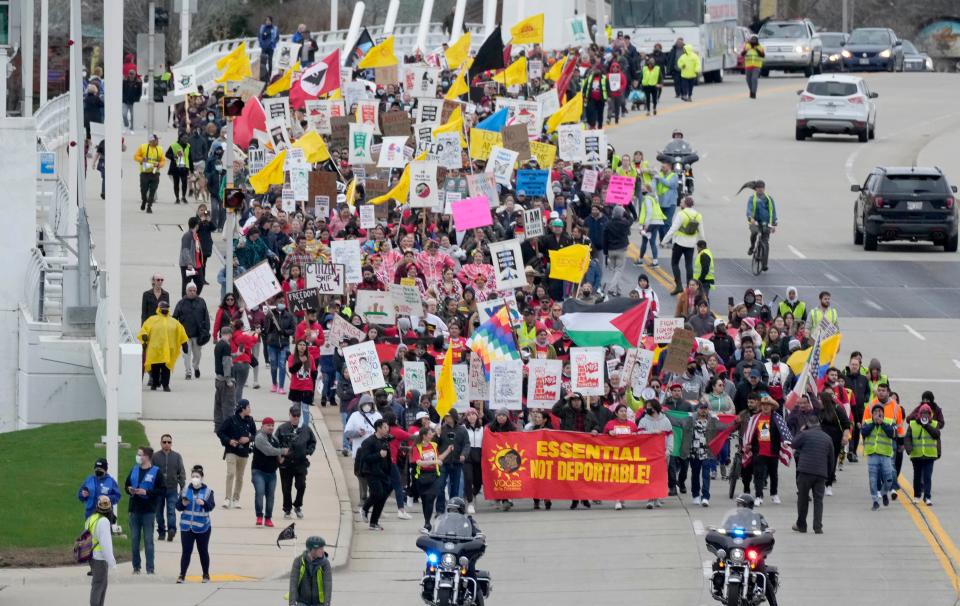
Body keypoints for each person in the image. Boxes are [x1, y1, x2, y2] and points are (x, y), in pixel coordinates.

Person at [741, 395, 792, 506]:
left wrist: (785, 443)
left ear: (772, 406)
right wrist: (748, 444)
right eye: (763, 405)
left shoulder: (777, 419)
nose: (765, 407)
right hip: (758, 451)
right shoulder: (755, 419)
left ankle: (774, 494)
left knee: (774, 474)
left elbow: (784, 433)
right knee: (758, 474)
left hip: (773, 451)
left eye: (768, 405)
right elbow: (749, 433)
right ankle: (759, 496)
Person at [125, 446, 165, 574]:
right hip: (134, 510)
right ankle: (136, 567)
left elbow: (162, 490)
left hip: (148, 511)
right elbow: (126, 485)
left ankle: (150, 568)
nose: (138, 456)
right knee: (135, 540)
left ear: (147, 457)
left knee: (148, 541)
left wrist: (146, 491)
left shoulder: (156, 471)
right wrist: (130, 490)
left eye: (140, 454)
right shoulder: (134, 469)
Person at [791, 417, 833, 534]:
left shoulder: (805, 434)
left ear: (808, 424)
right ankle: (817, 527)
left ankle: (802, 525)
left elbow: (793, 444)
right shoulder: (827, 438)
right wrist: (828, 475)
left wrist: (801, 431)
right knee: (818, 500)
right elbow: (831, 459)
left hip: (805, 472)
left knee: (803, 499)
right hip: (821, 474)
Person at [411, 425, 455, 533]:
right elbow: (419, 462)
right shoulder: (417, 447)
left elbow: (439, 459)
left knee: (430, 498)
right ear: (424, 436)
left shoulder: (434, 445)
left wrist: (448, 450)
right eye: (430, 433)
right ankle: (427, 522)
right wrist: (434, 462)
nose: (432, 435)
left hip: (434, 475)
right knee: (425, 501)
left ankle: (427, 524)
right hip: (421, 477)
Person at [176, 465, 215, 583]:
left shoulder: (208, 492)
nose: (194, 479)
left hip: (203, 527)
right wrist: (183, 503)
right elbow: (178, 507)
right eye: (193, 476)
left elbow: (211, 506)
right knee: (186, 551)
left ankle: (206, 575)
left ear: (201, 478)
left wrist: (203, 503)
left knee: (203, 551)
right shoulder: (185, 490)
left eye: (197, 476)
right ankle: (182, 575)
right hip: (186, 527)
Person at [276, 406, 317, 520]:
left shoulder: (305, 429)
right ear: (289, 415)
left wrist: (308, 451)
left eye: (298, 416)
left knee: (301, 485)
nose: (295, 418)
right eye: (293, 415)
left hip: (300, 462)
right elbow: (275, 443)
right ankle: (287, 509)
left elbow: (312, 442)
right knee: (286, 488)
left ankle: (298, 506)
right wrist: (280, 456)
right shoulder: (282, 428)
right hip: (286, 463)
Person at [138, 300, 189, 392]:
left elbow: (181, 332)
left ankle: (166, 385)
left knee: (166, 369)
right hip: (155, 350)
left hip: (168, 350)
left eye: (166, 308)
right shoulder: (152, 320)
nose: (164, 310)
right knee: (155, 368)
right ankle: (154, 383)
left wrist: (184, 343)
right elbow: (144, 328)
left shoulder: (174, 322)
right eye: (163, 308)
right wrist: (144, 335)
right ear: (159, 309)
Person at [216, 399, 257, 509]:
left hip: (244, 452)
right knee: (231, 473)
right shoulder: (231, 420)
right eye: (248, 407)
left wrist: (248, 438)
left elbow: (256, 434)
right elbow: (220, 432)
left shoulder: (250, 420)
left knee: (240, 476)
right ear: (242, 408)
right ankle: (227, 498)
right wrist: (229, 441)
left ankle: (236, 499)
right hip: (231, 451)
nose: (250, 409)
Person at [662, 196, 704, 295]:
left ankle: (679, 286)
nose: (680, 204)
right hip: (691, 244)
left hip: (679, 243)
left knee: (675, 263)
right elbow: (701, 232)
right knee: (689, 265)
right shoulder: (698, 215)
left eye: (681, 202)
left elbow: (673, 229)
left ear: (685, 204)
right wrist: (703, 246)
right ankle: (690, 288)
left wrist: (664, 241)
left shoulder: (681, 214)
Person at [358, 419, 393, 531]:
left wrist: (388, 470)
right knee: (377, 493)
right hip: (371, 472)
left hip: (383, 473)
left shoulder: (385, 441)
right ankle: (365, 508)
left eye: (387, 428)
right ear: (378, 428)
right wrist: (379, 455)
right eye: (385, 427)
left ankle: (374, 522)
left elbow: (387, 458)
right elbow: (365, 458)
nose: (387, 430)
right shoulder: (368, 442)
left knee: (382, 497)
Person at [252, 417, 287, 527]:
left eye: (272, 425)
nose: (271, 427)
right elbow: (268, 451)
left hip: (272, 472)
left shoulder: (275, 439)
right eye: (268, 425)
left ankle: (268, 518)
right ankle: (259, 516)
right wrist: (282, 450)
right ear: (263, 426)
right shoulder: (259, 437)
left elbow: (278, 455)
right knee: (260, 493)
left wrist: (282, 457)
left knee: (270, 496)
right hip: (258, 471)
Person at [152, 434, 186, 542]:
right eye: (164, 442)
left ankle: (171, 530)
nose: (167, 444)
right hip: (159, 490)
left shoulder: (177, 456)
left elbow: (181, 471)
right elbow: (151, 472)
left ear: (171, 443)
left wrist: (182, 485)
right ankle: (161, 531)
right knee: (158, 512)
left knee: (171, 510)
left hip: (172, 489)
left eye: (169, 442)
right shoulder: (155, 456)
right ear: (161, 443)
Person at [861, 403, 896, 509]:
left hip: (885, 455)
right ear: (872, 414)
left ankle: (884, 492)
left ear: (883, 414)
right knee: (872, 479)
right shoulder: (868, 422)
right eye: (875, 412)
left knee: (889, 479)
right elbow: (864, 432)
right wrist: (874, 423)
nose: (877, 414)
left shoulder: (889, 422)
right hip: (872, 455)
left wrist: (882, 423)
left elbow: (893, 434)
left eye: (879, 412)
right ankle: (875, 501)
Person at [173, 283, 210, 380]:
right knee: (186, 354)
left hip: (198, 334)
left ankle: (196, 367)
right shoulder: (181, 303)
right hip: (185, 334)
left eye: (194, 290)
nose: (192, 292)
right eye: (190, 290)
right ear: (186, 291)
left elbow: (206, 317)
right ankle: (188, 371)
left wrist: (206, 330)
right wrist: (176, 331)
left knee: (197, 354)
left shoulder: (201, 302)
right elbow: (174, 318)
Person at [905, 404, 940, 505]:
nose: (925, 416)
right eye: (923, 413)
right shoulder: (912, 424)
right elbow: (907, 438)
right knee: (917, 476)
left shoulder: (934, 424)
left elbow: (936, 435)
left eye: (927, 414)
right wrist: (909, 448)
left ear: (930, 415)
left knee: (927, 477)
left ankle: (927, 497)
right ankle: (917, 495)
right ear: (919, 414)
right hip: (917, 455)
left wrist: (926, 425)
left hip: (929, 455)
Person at [87, 495, 117, 606]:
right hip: (100, 558)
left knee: (99, 585)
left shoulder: (91, 518)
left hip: (92, 556)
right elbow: (106, 545)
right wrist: (112, 562)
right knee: (99, 586)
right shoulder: (104, 522)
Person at [288, 535, 332, 606]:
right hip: (302, 601)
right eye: (320, 549)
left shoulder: (325, 563)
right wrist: (292, 603)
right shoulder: (299, 561)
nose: (322, 551)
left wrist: (327, 603)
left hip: (319, 602)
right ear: (312, 550)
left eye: (322, 548)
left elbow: (328, 584)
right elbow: (293, 583)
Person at [745, 180, 777, 272]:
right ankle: (752, 246)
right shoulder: (752, 198)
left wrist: (774, 224)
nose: (760, 190)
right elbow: (749, 209)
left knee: (765, 243)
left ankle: (764, 264)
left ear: (764, 188)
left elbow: (773, 211)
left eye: (762, 188)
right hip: (754, 222)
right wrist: (750, 218)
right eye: (758, 188)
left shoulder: (769, 199)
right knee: (754, 232)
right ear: (755, 189)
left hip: (766, 223)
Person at [603, 205, 631, 296]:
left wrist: (605, 252)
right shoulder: (624, 223)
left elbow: (604, 239)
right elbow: (631, 219)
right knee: (619, 270)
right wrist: (626, 213)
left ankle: (619, 290)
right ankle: (611, 288)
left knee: (615, 271)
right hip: (621, 250)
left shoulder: (608, 224)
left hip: (611, 250)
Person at [288, 340, 317, 426]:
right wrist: (300, 362)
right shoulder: (292, 357)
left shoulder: (310, 357)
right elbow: (292, 370)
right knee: (296, 409)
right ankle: (295, 426)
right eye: (300, 344)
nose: (302, 346)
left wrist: (313, 384)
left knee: (305, 409)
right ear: (296, 346)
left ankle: (305, 428)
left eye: (304, 345)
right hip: (296, 387)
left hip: (307, 387)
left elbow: (314, 371)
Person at [213, 325, 236, 431]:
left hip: (218, 379)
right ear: (229, 334)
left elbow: (224, 357)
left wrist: (236, 354)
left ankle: (218, 426)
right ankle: (228, 427)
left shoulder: (218, 344)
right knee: (228, 405)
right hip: (224, 380)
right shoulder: (226, 345)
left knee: (218, 404)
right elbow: (226, 363)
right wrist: (228, 380)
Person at [134, 134, 165, 212]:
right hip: (145, 173)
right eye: (156, 140)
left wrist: (159, 164)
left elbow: (163, 161)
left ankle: (149, 206)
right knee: (143, 190)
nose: (158, 141)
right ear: (151, 141)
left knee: (153, 190)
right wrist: (142, 159)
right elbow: (135, 156)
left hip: (155, 173)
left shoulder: (160, 149)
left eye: (158, 140)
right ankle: (144, 200)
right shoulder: (143, 147)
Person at [179, 217, 205, 296]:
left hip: (197, 265)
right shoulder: (187, 236)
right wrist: (189, 263)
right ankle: (184, 301)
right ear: (196, 225)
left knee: (200, 283)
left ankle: (194, 298)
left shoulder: (195, 235)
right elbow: (185, 251)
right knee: (186, 284)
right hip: (188, 266)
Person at [166, 132, 192, 205]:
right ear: (180, 138)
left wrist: (191, 169)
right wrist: (174, 157)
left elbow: (190, 157)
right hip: (175, 167)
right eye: (184, 138)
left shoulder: (188, 146)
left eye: (187, 138)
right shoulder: (173, 145)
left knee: (184, 183)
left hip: (184, 167)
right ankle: (177, 198)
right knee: (176, 183)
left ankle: (183, 197)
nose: (186, 140)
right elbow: (167, 154)